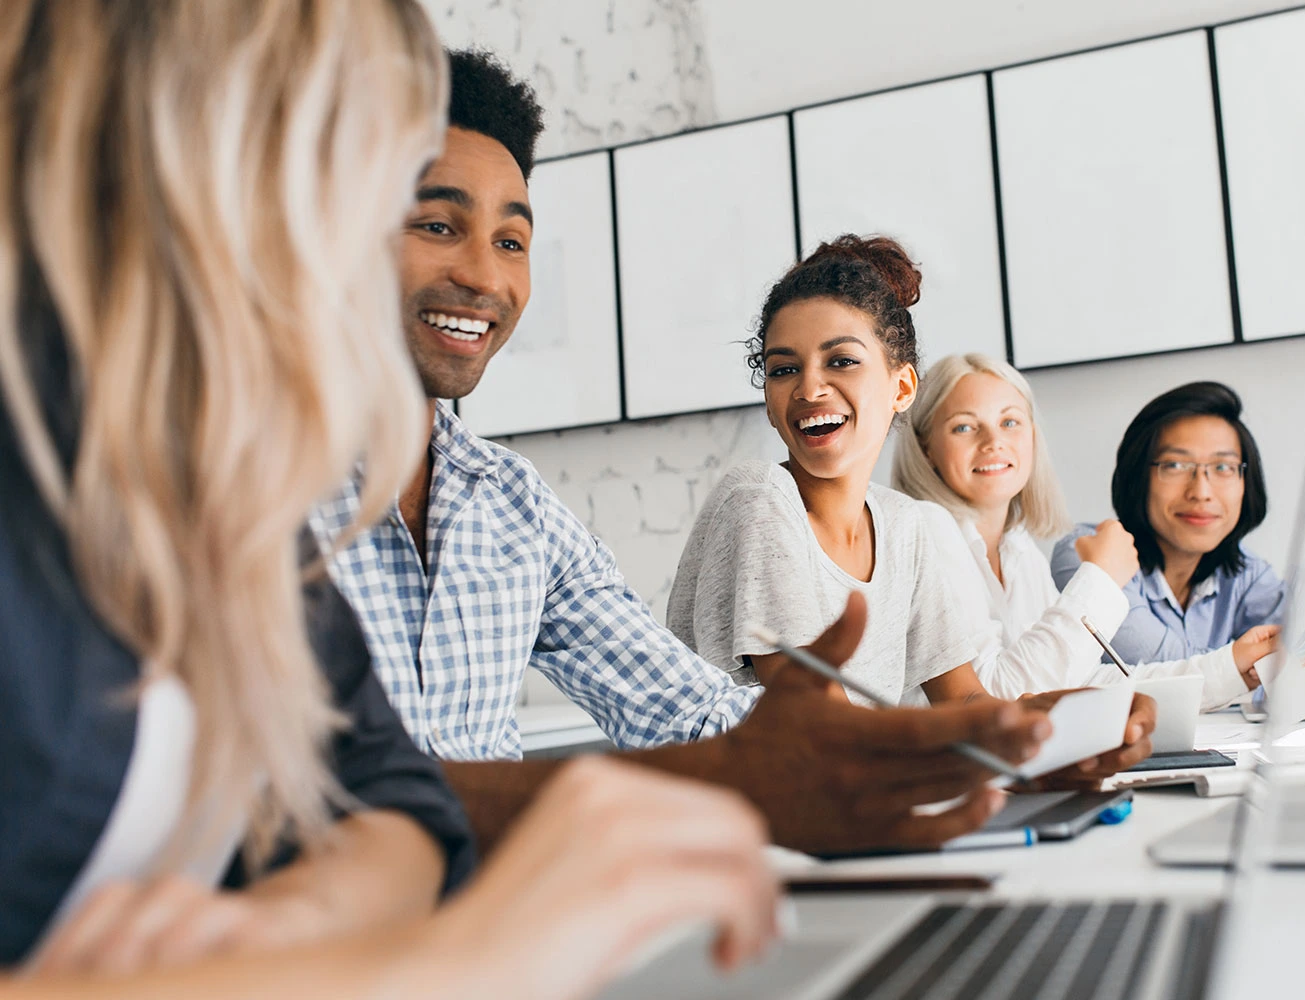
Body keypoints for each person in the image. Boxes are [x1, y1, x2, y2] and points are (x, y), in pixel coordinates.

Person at [0, 2, 778, 995]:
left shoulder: (218, 482)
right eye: (402, 202)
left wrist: (298, 924)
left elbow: (394, 799)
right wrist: (454, 958)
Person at [317, 49, 1063, 856]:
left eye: (512, 241)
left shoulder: (509, 505)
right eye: (437, 225)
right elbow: (259, 798)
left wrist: (1019, 757)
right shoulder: (233, 486)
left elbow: (682, 704)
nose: (483, 276)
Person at [669, 236, 1156, 780]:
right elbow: (817, 721)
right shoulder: (760, 499)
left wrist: (1049, 724)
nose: (809, 387)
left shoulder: (910, 526)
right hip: (750, 821)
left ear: (902, 387)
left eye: (841, 361)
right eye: (783, 369)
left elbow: (962, 701)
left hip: (857, 801)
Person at [892, 354, 1279, 707]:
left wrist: (1230, 669)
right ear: (927, 448)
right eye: (964, 427)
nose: (993, 442)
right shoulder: (926, 527)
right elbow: (995, 701)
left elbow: (1078, 683)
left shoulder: (1019, 549)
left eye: (1010, 422)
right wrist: (1101, 578)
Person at [1051, 381, 1285, 704]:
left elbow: (1303, 662)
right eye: (1175, 465)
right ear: (1138, 476)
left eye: (1223, 467)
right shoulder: (1087, 554)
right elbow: (1166, 673)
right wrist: (1244, 663)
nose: (1201, 491)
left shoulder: (1247, 575)